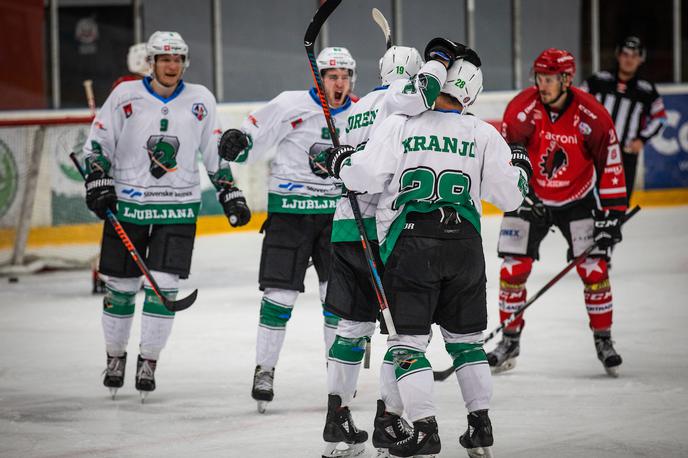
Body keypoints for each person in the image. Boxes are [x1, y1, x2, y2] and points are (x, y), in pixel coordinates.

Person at [324, 58, 531, 458]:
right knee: (467, 343)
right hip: (466, 247)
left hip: (413, 244)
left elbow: (363, 176)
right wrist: (520, 168)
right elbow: (511, 197)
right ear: (471, 94)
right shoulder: (483, 133)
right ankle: (479, 428)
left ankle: (423, 428)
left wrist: (341, 162)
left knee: (407, 345)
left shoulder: (402, 123)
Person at [83, 31, 251, 401]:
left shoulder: (200, 100)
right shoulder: (125, 96)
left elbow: (214, 152)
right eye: (165, 59)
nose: (172, 66)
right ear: (152, 62)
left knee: (163, 289)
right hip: (127, 206)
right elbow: (98, 142)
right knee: (122, 289)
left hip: (178, 209)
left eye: (177, 59)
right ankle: (115, 358)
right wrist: (98, 176)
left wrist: (229, 192)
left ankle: (149, 362)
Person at [217, 47, 356, 413]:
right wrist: (239, 142)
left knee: (336, 303)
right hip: (289, 215)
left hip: (337, 220)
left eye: (344, 76)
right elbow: (251, 138)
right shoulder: (288, 104)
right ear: (319, 78)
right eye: (332, 76)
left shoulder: (361, 115)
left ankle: (337, 377)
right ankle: (264, 371)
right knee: (278, 298)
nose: (338, 83)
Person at [488, 48, 628, 377]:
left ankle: (603, 340)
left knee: (594, 269)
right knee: (512, 269)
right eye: (539, 78)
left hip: (577, 200)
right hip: (531, 196)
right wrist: (520, 192)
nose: (543, 84)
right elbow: (508, 158)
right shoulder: (522, 109)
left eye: (550, 79)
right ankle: (509, 340)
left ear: (567, 79)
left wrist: (613, 214)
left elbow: (610, 165)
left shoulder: (592, 116)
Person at [581, 36, 667, 201]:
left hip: (624, 155)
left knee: (620, 203)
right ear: (618, 55)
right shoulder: (598, 80)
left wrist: (642, 139)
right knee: (587, 200)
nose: (629, 60)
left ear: (640, 59)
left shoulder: (646, 90)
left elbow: (660, 118)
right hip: (594, 151)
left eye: (634, 56)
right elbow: (575, 104)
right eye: (626, 54)